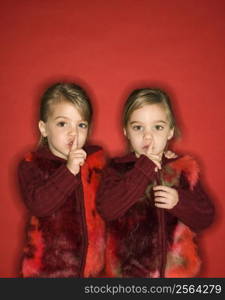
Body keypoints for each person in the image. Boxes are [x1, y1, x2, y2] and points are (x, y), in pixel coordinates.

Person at [97, 88, 214, 278]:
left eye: (157, 127)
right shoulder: (116, 170)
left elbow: (206, 217)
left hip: (176, 276)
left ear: (170, 131)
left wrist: (179, 201)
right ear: (126, 131)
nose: (148, 136)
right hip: (128, 275)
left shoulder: (182, 168)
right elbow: (108, 209)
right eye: (138, 127)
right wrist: (143, 168)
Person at [18, 82, 105, 277]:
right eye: (62, 123)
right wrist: (69, 170)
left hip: (92, 273)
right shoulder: (32, 164)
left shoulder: (97, 162)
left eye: (81, 125)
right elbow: (39, 204)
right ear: (44, 128)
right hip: (46, 274)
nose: (73, 132)